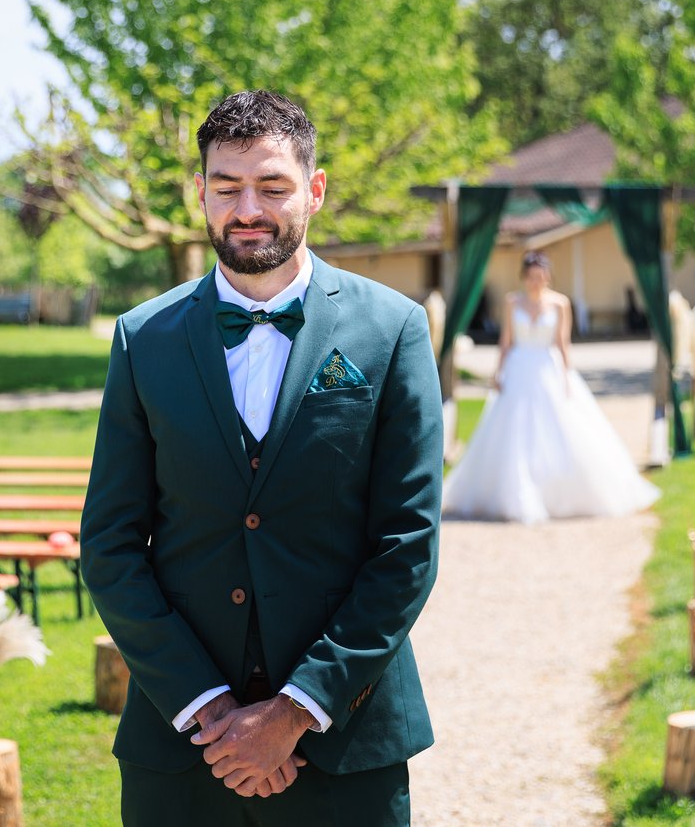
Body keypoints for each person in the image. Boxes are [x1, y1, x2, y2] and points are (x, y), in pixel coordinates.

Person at [81, 90, 442, 826]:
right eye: (226, 186)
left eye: (272, 186)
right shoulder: (141, 339)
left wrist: (296, 709)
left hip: (344, 746)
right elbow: (111, 546)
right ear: (201, 195)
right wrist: (208, 707)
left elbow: (407, 546)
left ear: (313, 190)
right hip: (183, 751)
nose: (248, 207)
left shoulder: (393, 329)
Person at [442, 252, 660, 523]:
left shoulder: (560, 304)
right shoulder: (512, 302)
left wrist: (567, 376)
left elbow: (562, 342)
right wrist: (499, 371)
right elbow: (506, 341)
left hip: (548, 367)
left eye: (540, 276)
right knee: (514, 432)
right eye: (531, 277)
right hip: (520, 368)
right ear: (524, 278)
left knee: (562, 428)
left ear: (547, 277)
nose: (536, 282)